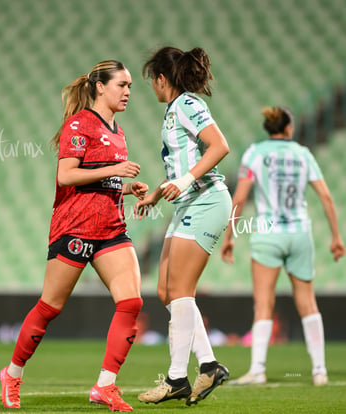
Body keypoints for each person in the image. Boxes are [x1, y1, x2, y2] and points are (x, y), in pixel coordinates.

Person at [0, 60, 148, 412]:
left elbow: (98, 180)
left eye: (129, 87)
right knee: (50, 307)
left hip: (111, 229)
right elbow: (66, 175)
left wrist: (125, 188)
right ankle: (12, 373)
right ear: (100, 87)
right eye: (121, 85)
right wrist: (116, 170)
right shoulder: (79, 125)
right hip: (75, 227)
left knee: (131, 303)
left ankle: (105, 386)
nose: (127, 92)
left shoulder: (118, 131)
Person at [135, 46, 232, 406]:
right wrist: (159, 193)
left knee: (181, 290)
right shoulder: (174, 111)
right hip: (186, 203)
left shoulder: (188, 105)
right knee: (165, 291)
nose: (152, 88)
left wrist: (187, 179)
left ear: (162, 79)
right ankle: (209, 364)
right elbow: (181, 167)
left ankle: (176, 378)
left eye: (152, 81)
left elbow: (219, 146)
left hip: (206, 200)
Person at [220, 106, 345, 386]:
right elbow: (325, 196)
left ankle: (258, 369)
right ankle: (320, 371)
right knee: (308, 303)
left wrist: (229, 235)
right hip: (300, 232)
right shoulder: (303, 154)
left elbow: (239, 197)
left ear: (269, 128)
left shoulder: (255, 153)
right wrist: (336, 237)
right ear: (289, 128)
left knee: (264, 304)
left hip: (268, 232)